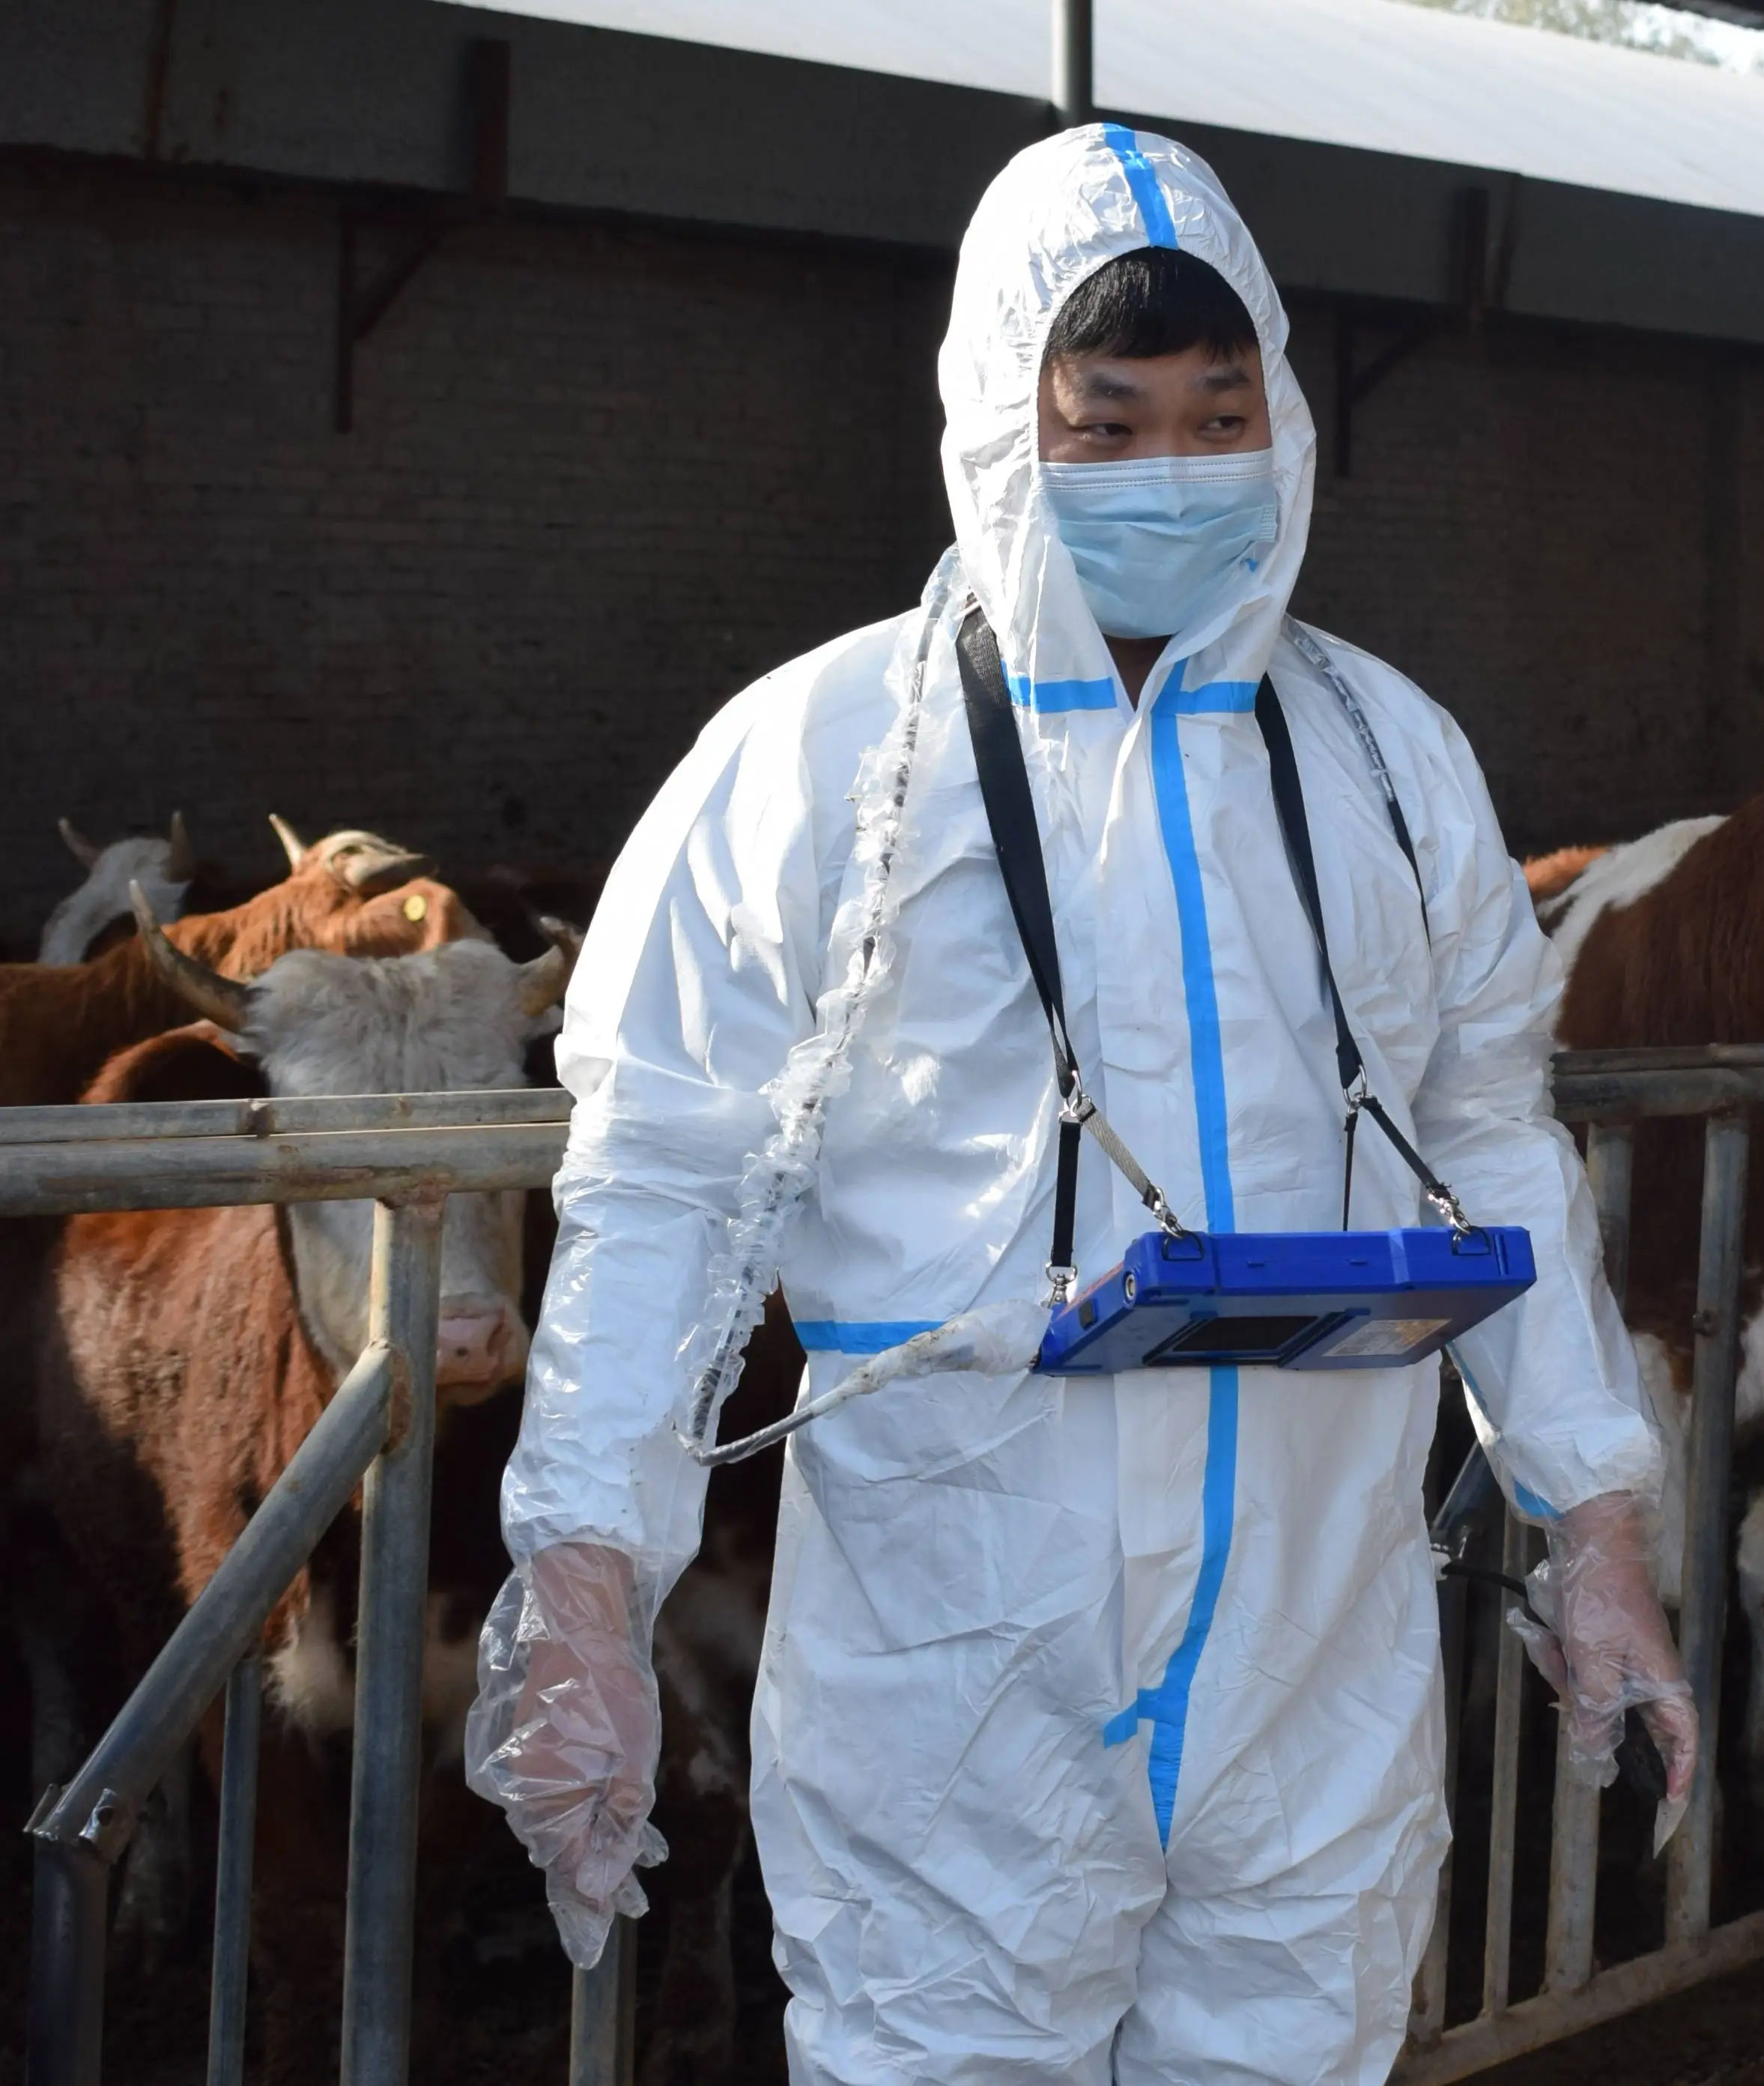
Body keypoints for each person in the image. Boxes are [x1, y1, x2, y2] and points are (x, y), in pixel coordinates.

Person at [467, 124, 1697, 2083]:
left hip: (1320, 1676)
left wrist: (1598, 1518)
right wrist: (590, 1585)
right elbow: (666, 1183)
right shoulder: (816, 764)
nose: (1175, 473)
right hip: (960, 1682)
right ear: (994, 425)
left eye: (1222, 416)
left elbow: (1490, 1136)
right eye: (1107, 425)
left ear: (1286, 415)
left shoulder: (1388, 757)